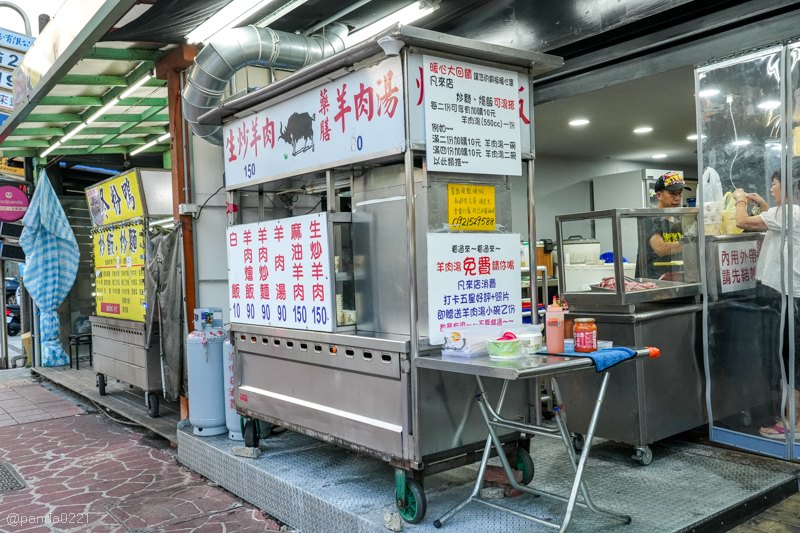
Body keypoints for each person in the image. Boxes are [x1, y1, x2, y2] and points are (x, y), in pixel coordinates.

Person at [734, 171, 800, 439]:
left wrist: (740, 200)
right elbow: (775, 222)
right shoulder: (790, 214)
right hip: (794, 295)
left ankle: (791, 424)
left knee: (789, 360)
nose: (771, 189)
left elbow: (743, 223)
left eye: (774, 184)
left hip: (789, 297)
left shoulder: (790, 212)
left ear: (789, 187)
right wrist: (762, 205)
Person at [636, 172, 692, 280]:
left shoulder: (680, 219)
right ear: (659, 195)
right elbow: (661, 248)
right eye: (672, 194)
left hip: (677, 279)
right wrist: (692, 243)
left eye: (680, 193)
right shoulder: (648, 218)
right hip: (654, 282)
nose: (677, 198)